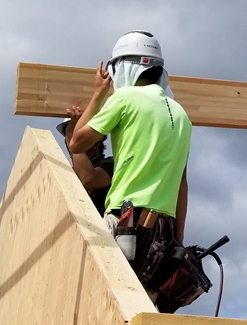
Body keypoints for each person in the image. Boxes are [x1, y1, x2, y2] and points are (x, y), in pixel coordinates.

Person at [70, 31, 192, 306]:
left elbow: (78, 143)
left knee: (99, 303)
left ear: (122, 68)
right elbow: (182, 185)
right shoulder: (182, 116)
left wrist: (98, 96)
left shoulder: (125, 99)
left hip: (126, 221)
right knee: (140, 311)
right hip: (164, 232)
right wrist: (178, 241)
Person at [57, 107, 112, 216]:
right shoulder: (67, 174)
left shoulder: (110, 164)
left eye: (79, 134)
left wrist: (73, 139)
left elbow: (88, 179)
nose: (72, 140)